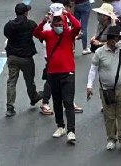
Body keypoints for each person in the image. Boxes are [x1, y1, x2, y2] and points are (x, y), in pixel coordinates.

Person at [86, 26, 121, 151]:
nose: (118, 41)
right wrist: (89, 86)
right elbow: (93, 69)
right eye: (116, 39)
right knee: (110, 116)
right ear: (110, 39)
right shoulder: (99, 52)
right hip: (106, 90)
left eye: (119, 38)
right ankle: (111, 139)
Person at [33, 9, 82, 145]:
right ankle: (60, 126)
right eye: (56, 24)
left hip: (68, 73)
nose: (58, 26)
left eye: (60, 23)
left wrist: (68, 15)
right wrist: (44, 21)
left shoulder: (69, 34)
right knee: (56, 102)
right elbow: (36, 33)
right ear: (52, 24)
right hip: (53, 73)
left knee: (68, 102)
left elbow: (77, 26)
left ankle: (71, 131)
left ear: (64, 23)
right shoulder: (48, 35)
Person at [4, 3, 42, 117]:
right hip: (26, 57)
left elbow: (7, 35)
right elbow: (39, 35)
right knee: (29, 80)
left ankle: (10, 106)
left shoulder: (9, 25)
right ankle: (33, 97)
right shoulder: (30, 24)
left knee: (11, 81)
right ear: (26, 12)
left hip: (13, 56)